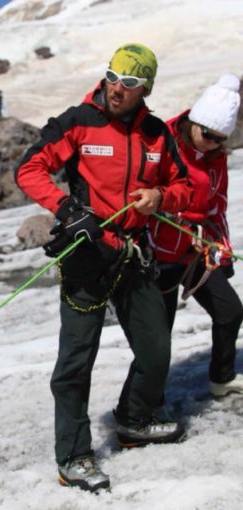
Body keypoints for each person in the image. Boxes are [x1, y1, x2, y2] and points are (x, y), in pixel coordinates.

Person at [14, 43, 192, 492]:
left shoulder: (156, 134)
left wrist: (160, 198)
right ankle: (73, 457)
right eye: (112, 76)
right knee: (75, 362)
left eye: (129, 82)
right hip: (86, 256)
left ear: (145, 87)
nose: (117, 88)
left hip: (133, 256)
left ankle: (133, 420)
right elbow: (29, 169)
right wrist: (66, 208)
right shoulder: (79, 121)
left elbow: (184, 186)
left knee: (156, 351)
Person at [149, 74, 243, 398]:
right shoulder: (161, 142)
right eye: (208, 134)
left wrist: (222, 249)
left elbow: (216, 206)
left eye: (220, 138)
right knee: (159, 336)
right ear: (194, 120)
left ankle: (221, 377)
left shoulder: (216, 159)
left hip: (195, 251)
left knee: (230, 310)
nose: (213, 142)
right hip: (157, 250)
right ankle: (148, 404)